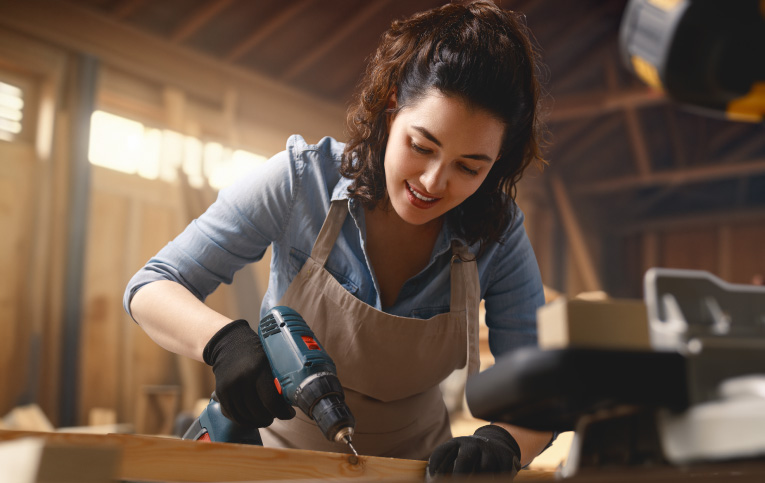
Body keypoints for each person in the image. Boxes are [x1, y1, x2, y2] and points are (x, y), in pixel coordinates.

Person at [124, 1, 553, 478]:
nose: (433, 181)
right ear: (392, 105)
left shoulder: (497, 232)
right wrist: (221, 343)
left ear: (499, 161)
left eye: (469, 167)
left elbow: (538, 392)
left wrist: (505, 442)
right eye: (421, 146)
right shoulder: (298, 182)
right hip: (275, 462)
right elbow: (152, 285)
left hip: (412, 471)